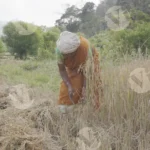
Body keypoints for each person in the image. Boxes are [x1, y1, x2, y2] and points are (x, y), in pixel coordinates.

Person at [56, 31, 102, 114]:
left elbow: (88, 71)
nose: (66, 56)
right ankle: (69, 111)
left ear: (75, 50)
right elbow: (62, 70)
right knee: (71, 87)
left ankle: (94, 112)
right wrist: (69, 86)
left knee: (93, 86)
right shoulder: (59, 51)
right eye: (65, 54)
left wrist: (85, 88)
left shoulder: (84, 48)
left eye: (69, 54)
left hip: (90, 65)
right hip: (73, 66)